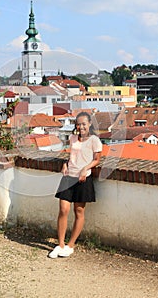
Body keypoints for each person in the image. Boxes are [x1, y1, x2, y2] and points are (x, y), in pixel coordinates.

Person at [49, 111, 102, 259]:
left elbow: (97, 159)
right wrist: (65, 164)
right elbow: (72, 156)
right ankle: (59, 245)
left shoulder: (94, 140)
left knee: (79, 211)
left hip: (82, 179)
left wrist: (86, 169)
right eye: (78, 124)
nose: (81, 127)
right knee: (63, 210)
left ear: (89, 124)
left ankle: (70, 245)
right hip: (68, 177)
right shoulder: (73, 138)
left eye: (83, 124)